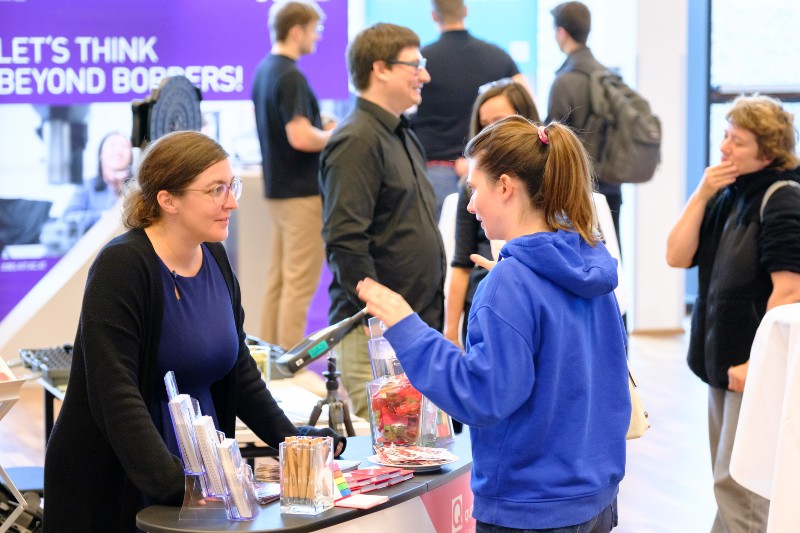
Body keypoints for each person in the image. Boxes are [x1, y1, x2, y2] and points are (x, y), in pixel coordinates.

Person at [42, 131, 345, 532]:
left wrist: (293, 441)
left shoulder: (214, 256)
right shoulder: (122, 266)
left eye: (231, 186)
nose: (232, 202)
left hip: (198, 476)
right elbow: (115, 393)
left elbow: (237, 369)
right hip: (123, 479)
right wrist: (171, 482)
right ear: (168, 200)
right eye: (216, 189)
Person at [357, 116, 628, 532]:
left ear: (504, 187)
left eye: (474, 188)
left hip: (530, 508)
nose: (470, 206)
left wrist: (407, 328)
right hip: (595, 499)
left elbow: (483, 397)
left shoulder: (510, 284)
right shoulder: (587, 262)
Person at [666, 94, 800, 532]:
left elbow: (791, 290)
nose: (724, 147)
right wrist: (702, 193)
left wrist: (755, 363)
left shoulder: (783, 199)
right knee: (728, 484)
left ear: (767, 151)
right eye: (725, 135)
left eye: (737, 141)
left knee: (741, 487)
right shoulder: (728, 195)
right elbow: (676, 255)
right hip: (723, 364)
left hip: (752, 367)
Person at [319, 23, 446, 420]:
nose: (425, 75)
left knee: (420, 443)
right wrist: (380, 315)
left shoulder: (400, 134)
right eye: (415, 64)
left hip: (409, 329)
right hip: (379, 336)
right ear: (381, 68)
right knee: (393, 446)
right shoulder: (357, 140)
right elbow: (345, 240)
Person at [252, 0, 334, 349]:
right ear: (297, 30)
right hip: (302, 194)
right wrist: (335, 135)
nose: (318, 36)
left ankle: (269, 359)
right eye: (315, 29)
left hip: (279, 191)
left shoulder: (265, 70)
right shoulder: (291, 76)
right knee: (298, 285)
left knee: (280, 281)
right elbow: (300, 136)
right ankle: (290, 364)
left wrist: (319, 127)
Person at [411, 0, 530, 219]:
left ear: (434, 16)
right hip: (488, 171)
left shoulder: (421, 62)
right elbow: (527, 103)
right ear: (465, 11)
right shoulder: (498, 56)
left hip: (434, 169)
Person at [444, 78, 540, 350]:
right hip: (485, 307)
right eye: (484, 124)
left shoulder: (550, 182)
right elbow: (461, 263)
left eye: (498, 121)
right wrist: (450, 334)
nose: (490, 131)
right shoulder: (470, 191)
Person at [545, 1, 623, 245]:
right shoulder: (609, 76)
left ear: (561, 32)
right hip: (611, 185)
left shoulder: (564, 82)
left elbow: (550, 141)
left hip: (578, 192)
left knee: (579, 258)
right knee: (610, 256)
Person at [62, 131, 133, 230]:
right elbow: (68, 217)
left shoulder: (138, 188)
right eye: (112, 145)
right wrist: (102, 216)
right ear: (101, 155)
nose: (118, 150)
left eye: (124, 146)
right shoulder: (87, 186)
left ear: (131, 157)